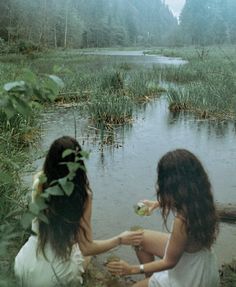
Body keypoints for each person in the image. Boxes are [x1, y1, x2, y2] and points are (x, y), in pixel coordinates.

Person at [14, 136, 143, 287]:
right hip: (54, 278)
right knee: (85, 254)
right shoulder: (83, 196)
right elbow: (87, 247)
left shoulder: (39, 182)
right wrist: (120, 239)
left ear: (49, 160)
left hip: (22, 265)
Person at [107, 149, 220, 287]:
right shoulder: (202, 199)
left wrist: (132, 269)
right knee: (139, 238)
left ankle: (154, 282)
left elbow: (169, 262)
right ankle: (152, 280)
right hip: (200, 263)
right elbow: (185, 201)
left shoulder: (181, 222)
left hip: (189, 278)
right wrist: (157, 204)